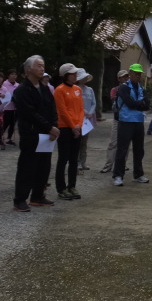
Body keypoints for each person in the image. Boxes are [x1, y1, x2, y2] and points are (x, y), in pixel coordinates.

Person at [12, 55, 59, 212]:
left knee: (44, 166)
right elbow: (29, 113)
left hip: (46, 133)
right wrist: (49, 127)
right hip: (31, 133)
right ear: (28, 69)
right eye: (39, 65)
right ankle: (20, 199)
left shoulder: (45, 88)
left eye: (43, 66)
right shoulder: (22, 90)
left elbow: (52, 108)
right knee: (27, 167)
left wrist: (54, 125)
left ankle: (38, 195)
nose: (42, 68)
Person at [112, 63, 150, 186]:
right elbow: (129, 103)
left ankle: (138, 174)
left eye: (140, 74)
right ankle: (118, 175)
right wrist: (140, 103)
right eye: (136, 74)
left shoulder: (141, 88)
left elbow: (148, 105)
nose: (138, 76)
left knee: (139, 150)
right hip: (125, 121)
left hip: (138, 121)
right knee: (122, 149)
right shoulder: (123, 87)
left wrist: (138, 104)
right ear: (130, 74)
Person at [54, 63, 84, 200]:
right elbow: (63, 111)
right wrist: (73, 126)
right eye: (72, 73)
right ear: (66, 75)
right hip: (65, 127)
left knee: (73, 159)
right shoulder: (59, 90)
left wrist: (78, 125)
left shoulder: (78, 89)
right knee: (63, 158)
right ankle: (61, 188)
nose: (75, 75)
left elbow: (81, 109)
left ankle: (72, 185)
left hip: (77, 127)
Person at [100, 69, 128, 173]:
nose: (125, 78)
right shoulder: (115, 90)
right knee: (113, 143)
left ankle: (122, 164)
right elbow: (115, 103)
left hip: (127, 119)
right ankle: (108, 165)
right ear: (119, 78)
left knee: (125, 144)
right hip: (117, 119)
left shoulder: (131, 88)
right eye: (123, 76)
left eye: (126, 76)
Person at [76, 68, 95, 171]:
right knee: (78, 141)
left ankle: (83, 162)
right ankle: (77, 162)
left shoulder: (90, 90)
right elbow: (77, 104)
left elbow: (93, 103)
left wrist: (90, 112)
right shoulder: (76, 89)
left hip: (87, 119)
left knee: (85, 142)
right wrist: (84, 111)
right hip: (78, 118)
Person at [1, 68, 19, 146]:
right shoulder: (4, 84)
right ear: (8, 76)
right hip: (6, 108)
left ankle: (9, 138)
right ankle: (0, 138)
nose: (14, 76)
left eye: (15, 74)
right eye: (12, 74)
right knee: (5, 124)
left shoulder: (18, 85)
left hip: (14, 108)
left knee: (12, 124)